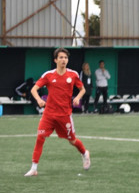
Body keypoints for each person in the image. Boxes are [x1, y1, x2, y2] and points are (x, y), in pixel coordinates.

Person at [24, 48, 91, 176]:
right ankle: (33, 168)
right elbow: (34, 89)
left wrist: (77, 98)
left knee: (72, 140)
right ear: (55, 60)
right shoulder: (48, 75)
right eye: (60, 57)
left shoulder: (73, 75)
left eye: (65, 58)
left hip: (65, 115)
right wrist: (39, 100)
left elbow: (82, 89)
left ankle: (84, 153)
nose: (63, 60)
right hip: (48, 114)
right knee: (40, 138)